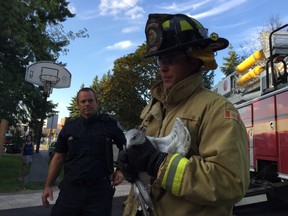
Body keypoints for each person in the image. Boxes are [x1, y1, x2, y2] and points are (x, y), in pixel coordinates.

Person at [118, 13, 250, 216]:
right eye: (160, 59)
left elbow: (230, 183)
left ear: (195, 61)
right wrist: (130, 163)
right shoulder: (155, 107)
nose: (162, 67)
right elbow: (144, 154)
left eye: (171, 59)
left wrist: (158, 163)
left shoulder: (215, 109)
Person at [42, 87, 126, 216]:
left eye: (90, 100)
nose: (87, 104)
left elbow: (126, 147)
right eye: (83, 101)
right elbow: (58, 158)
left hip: (99, 192)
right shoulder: (69, 128)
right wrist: (48, 186)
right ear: (78, 105)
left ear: (96, 102)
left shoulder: (109, 125)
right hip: (71, 190)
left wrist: (121, 169)